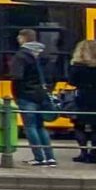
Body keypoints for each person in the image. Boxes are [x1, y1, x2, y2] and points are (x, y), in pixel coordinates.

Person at [7, 29, 58, 166]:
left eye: (19, 36)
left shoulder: (21, 55)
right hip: (42, 95)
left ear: (23, 38)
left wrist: (16, 95)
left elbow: (17, 77)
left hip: (26, 95)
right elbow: (53, 76)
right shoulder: (45, 54)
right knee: (41, 127)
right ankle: (50, 157)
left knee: (30, 127)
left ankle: (39, 158)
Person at [67, 37, 96, 164]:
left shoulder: (77, 66)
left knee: (79, 126)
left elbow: (71, 82)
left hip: (82, 98)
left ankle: (83, 152)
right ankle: (94, 153)